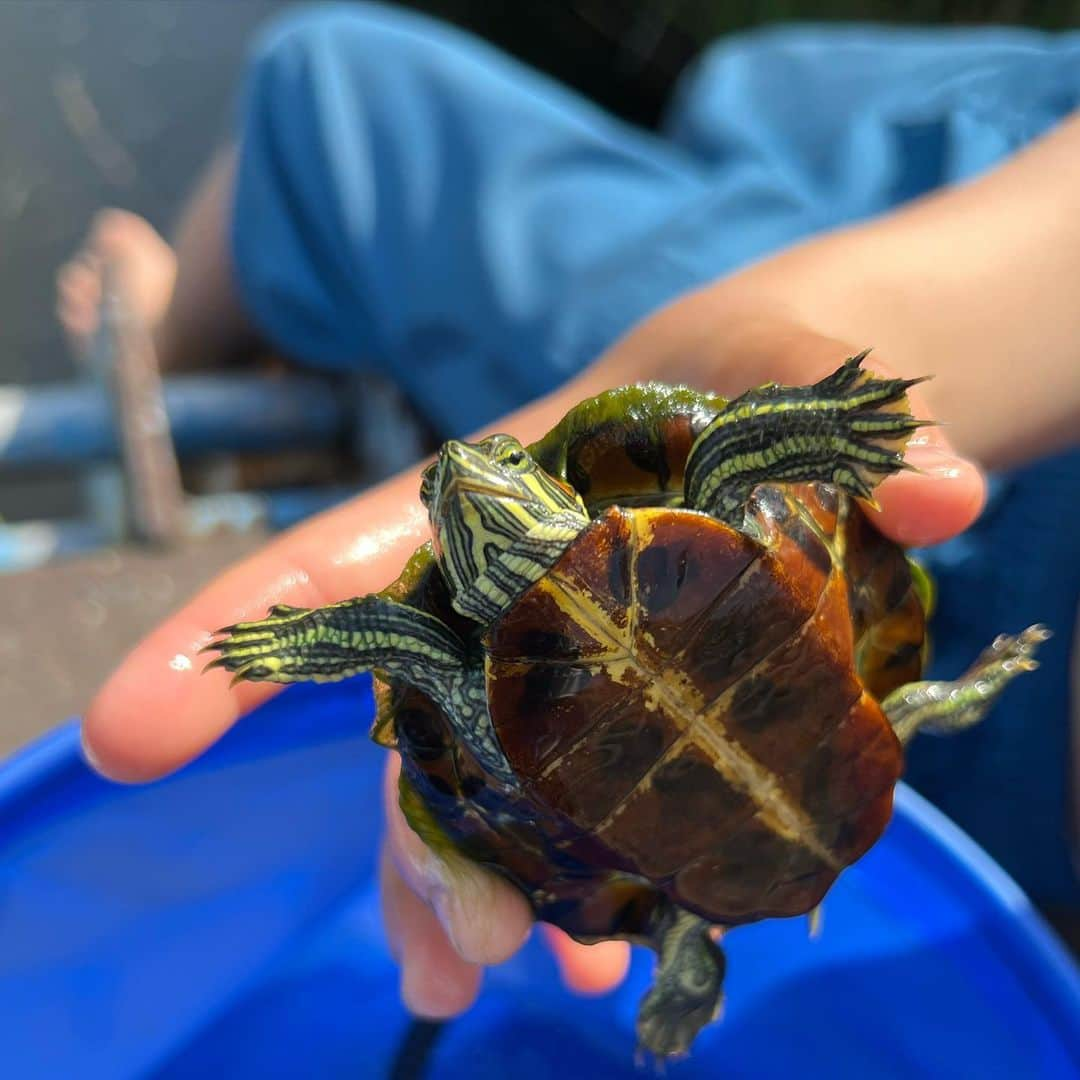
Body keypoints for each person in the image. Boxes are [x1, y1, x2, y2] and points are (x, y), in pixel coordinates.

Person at [59, 5, 1080, 1020]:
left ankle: (172, 322)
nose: (467, 474)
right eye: (494, 478)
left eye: (477, 485)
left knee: (324, 76)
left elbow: (428, 682)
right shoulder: (692, 536)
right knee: (764, 96)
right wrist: (869, 377)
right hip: (1019, 287)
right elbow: (727, 454)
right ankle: (735, 130)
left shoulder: (469, 666)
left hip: (909, 714)